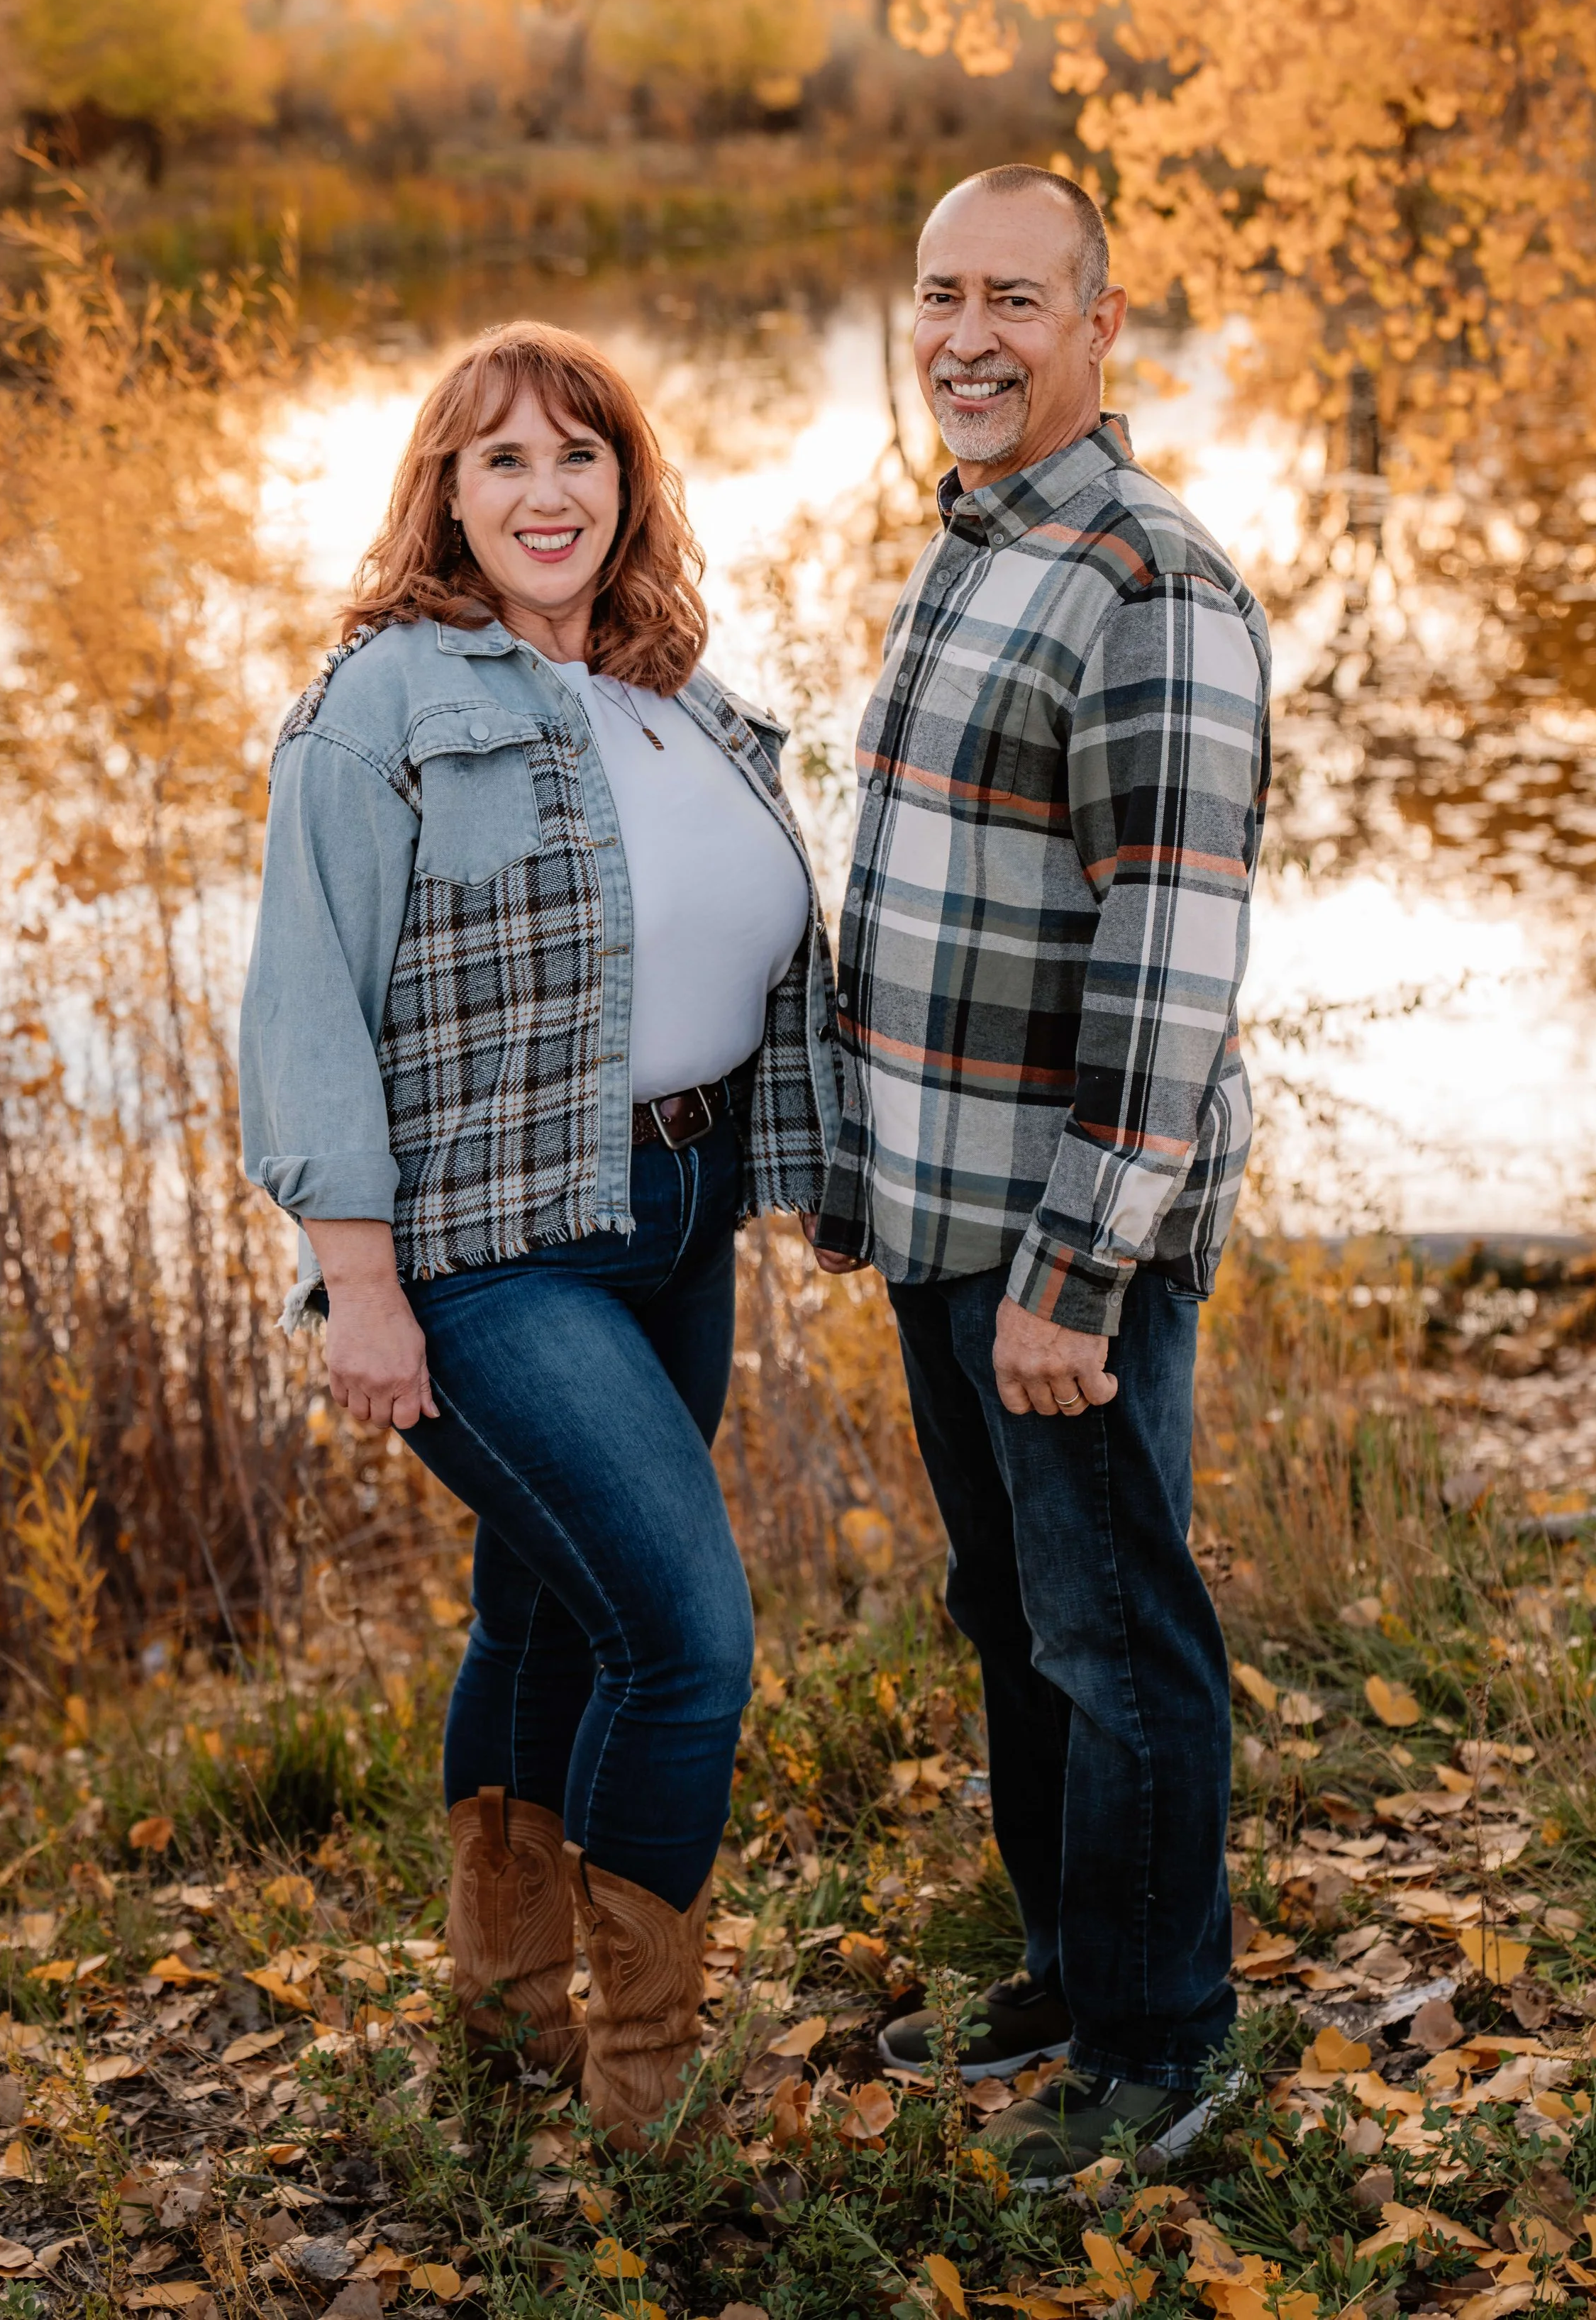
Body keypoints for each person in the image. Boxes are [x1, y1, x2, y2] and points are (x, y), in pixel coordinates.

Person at [240, 321, 841, 2152]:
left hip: (676, 1214)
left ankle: (502, 2030)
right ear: (443, 492)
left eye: (579, 453)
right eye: (499, 458)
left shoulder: (676, 688)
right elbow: (302, 1002)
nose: (545, 490)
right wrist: (361, 1284)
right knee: (687, 1637)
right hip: (486, 1254)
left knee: (550, 1609)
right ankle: (647, 2099)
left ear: (629, 483)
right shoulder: (387, 699)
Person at [810, 165, 1272, 2184]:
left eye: (1011, 294)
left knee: (1114, 1628)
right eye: (936, 294)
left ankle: (1166, 2040)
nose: (965, 334)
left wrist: (1072, 1272)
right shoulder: (977, 538)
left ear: (1100, 321)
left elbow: (1166, 969)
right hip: (939, 1208)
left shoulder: (1145, 583)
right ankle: (1080, 1971)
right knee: (1008, 1607)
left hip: (1056, 1236)